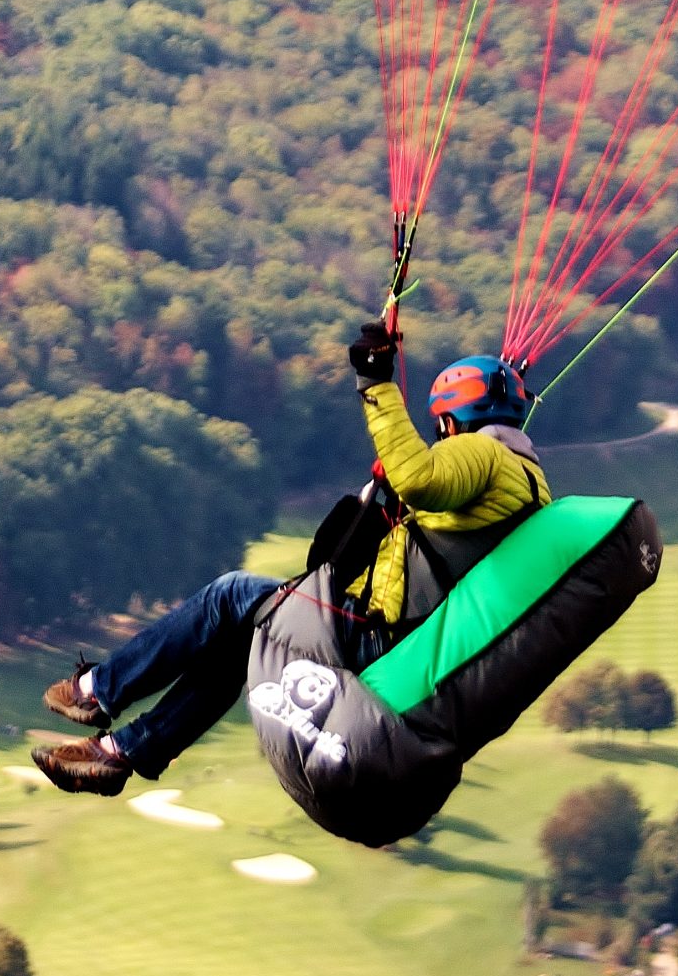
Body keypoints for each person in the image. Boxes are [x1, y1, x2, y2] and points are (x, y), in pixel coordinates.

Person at [32, 327, 550, 795]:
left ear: (453, 421)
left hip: (368, 633)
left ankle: (97, 690)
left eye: (440, 428)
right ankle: (121, 752)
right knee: (243, 639)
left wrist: (376, 384)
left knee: (230, 594)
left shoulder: (484, 455)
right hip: (399, 642)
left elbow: (419, 477)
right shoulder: (525, 483)